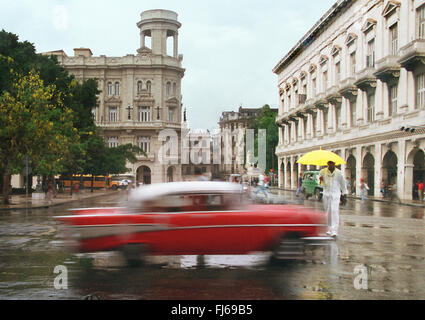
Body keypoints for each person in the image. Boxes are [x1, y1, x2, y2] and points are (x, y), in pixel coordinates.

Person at [319, 161, 348, 237]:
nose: (330, 165)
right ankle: (329, 229)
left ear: (334, 164)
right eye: (329, 164)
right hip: (326, 194)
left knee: (334, 211)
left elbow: (343, 184)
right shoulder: (322, 172)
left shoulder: (339, 173)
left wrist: (344, 194)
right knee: (328, 212)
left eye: (332, 163)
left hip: (335, 195)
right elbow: (320, 184)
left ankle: (334, 230)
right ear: (327, 164)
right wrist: (321, 180)